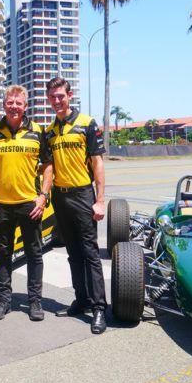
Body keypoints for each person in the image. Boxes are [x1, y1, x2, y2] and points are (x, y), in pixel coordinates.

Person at [0, 85, 52, 321]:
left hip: (30, 203)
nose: (14, 106)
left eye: (18, 103)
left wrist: (43, 196)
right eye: (10, 102)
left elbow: (48, 165)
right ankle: (4, 300)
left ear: (25, 106)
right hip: (2, 204)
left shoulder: (38, 131)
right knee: (3, 253)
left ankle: (35, 301)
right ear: (4, 105)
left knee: (34, 253)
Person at [45, 77, 107, 334]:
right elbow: (48, 167)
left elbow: (97, 163)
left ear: (69, 96)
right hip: (60, 198)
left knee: (90, 252)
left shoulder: (86, 123)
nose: (57, 101)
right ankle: (81, 300)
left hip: (83, 195)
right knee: (73, 253)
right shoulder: (50, 131)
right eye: (52, 97)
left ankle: (99, 308)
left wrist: (99, 200)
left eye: (61, 96)